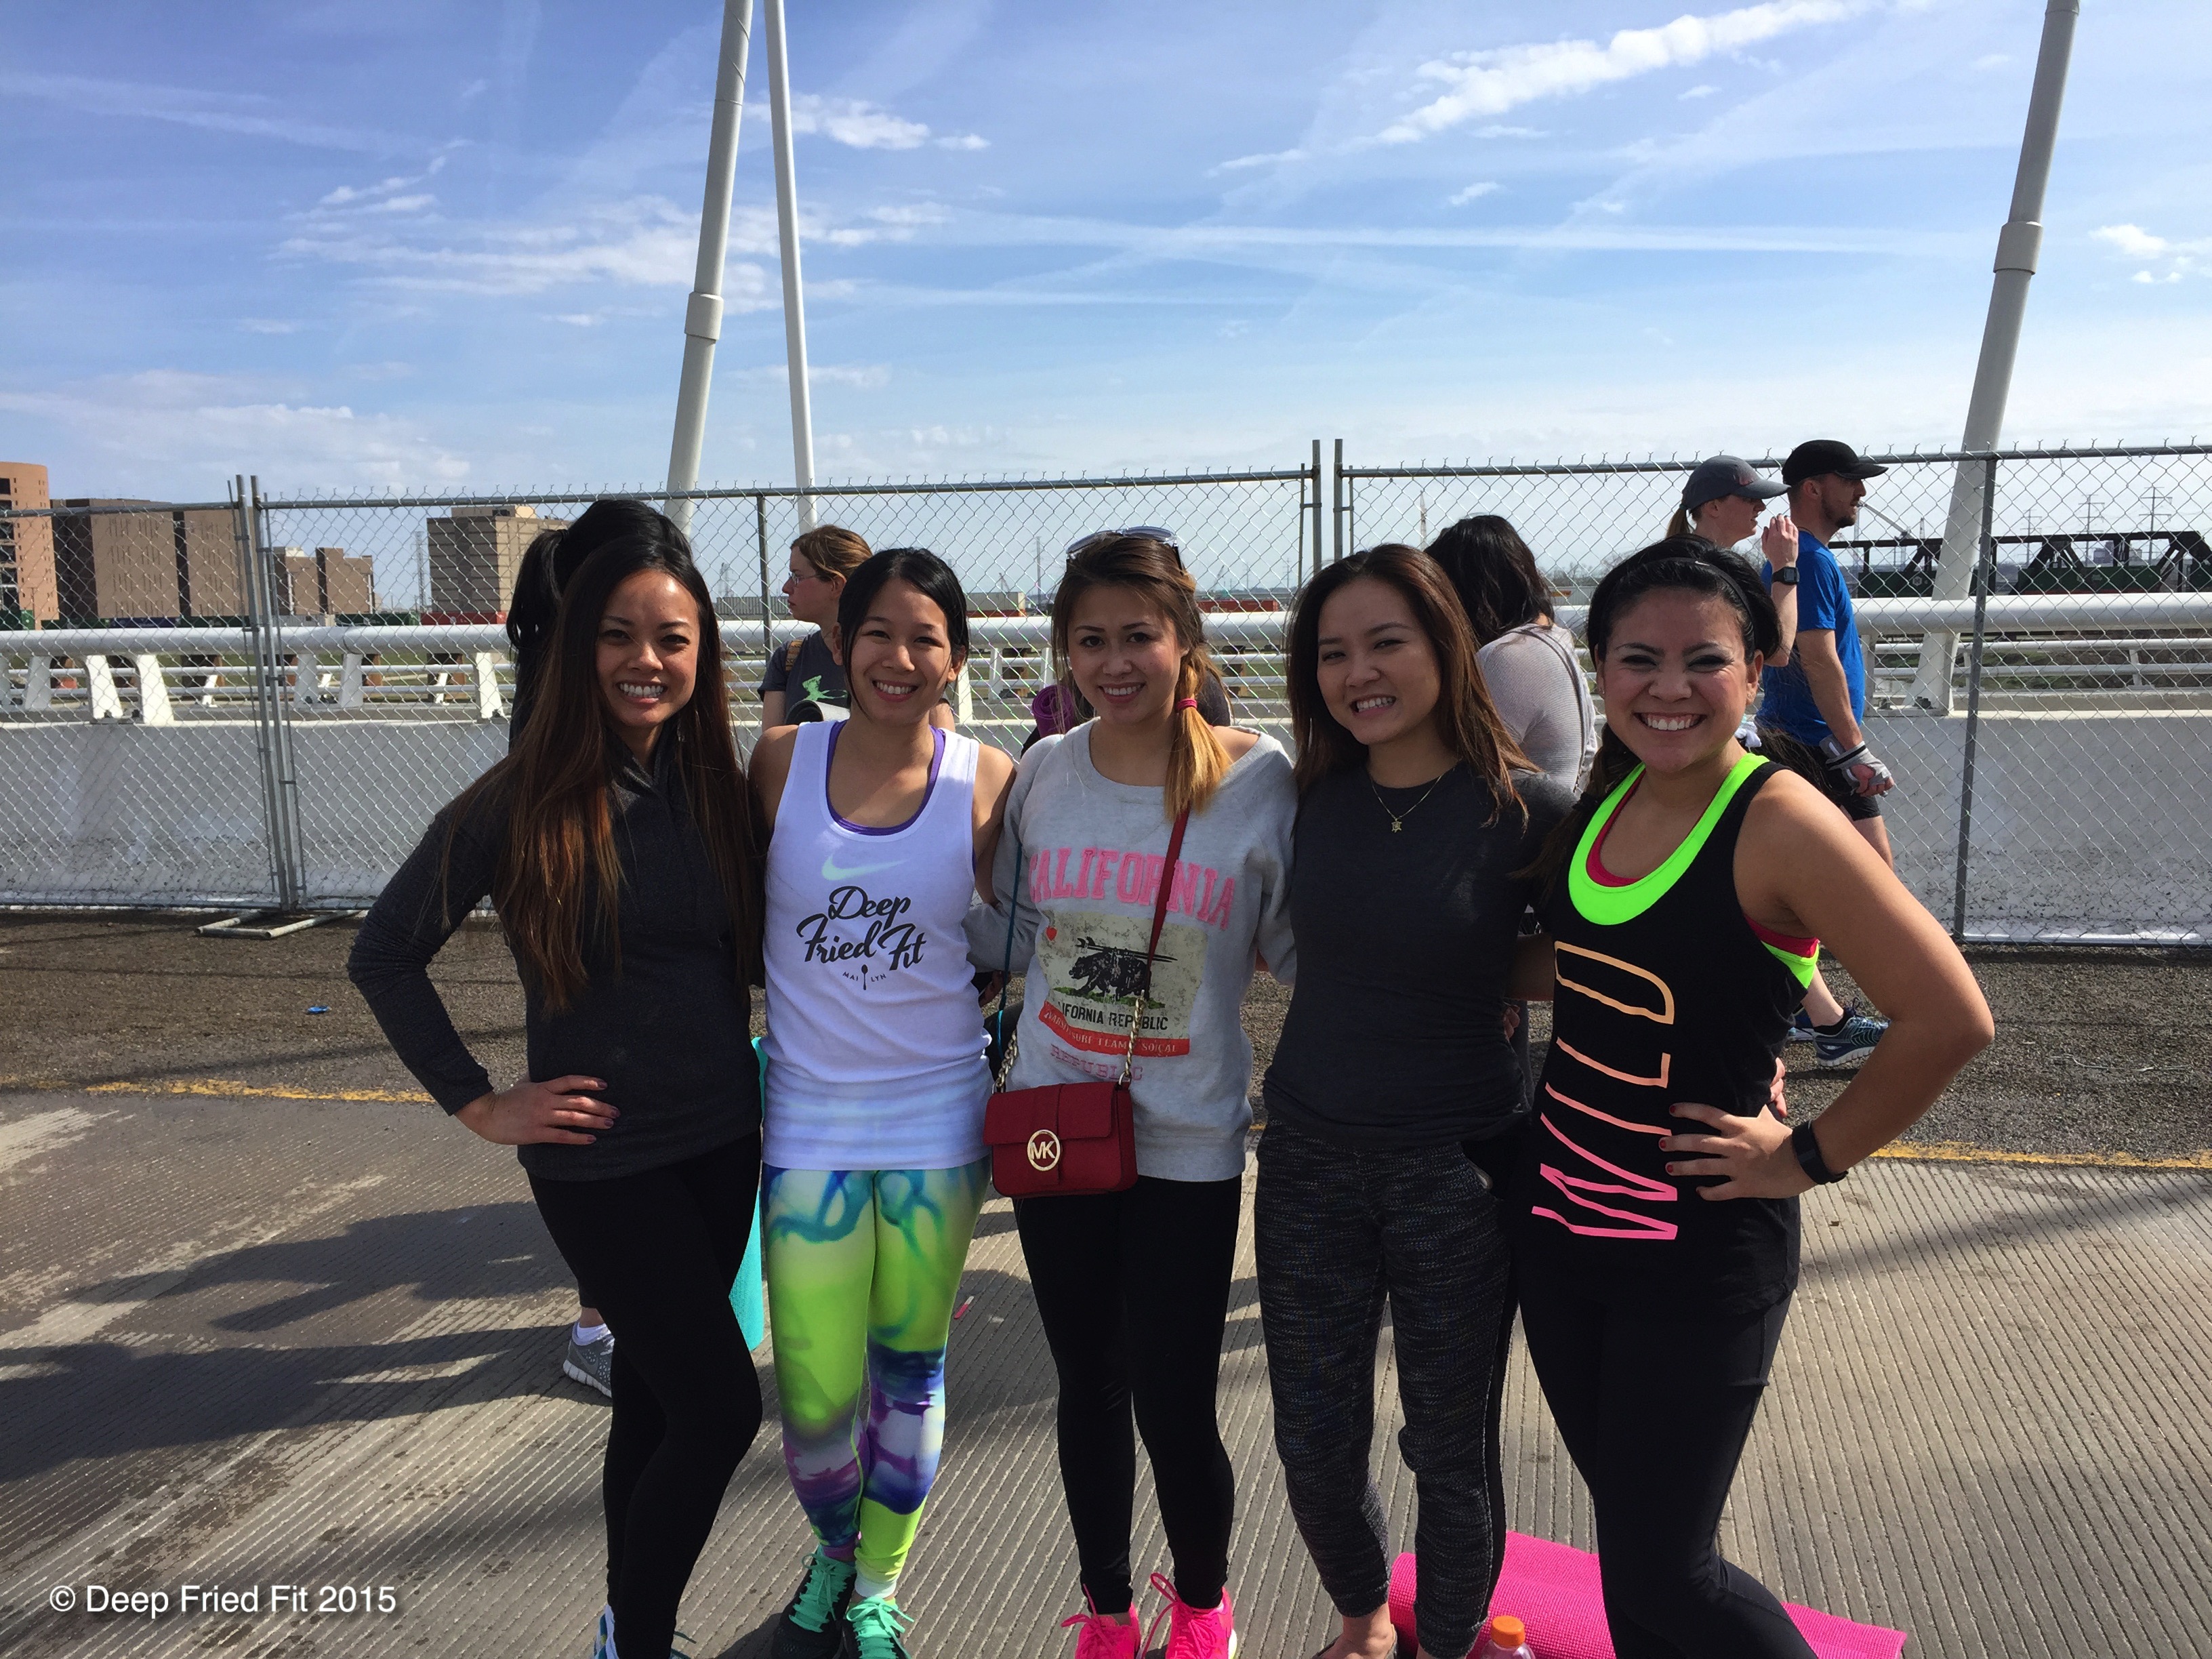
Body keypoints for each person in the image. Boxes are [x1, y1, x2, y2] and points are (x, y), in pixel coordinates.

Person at [1507, 537, 1992, 1659]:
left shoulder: (1777, 818)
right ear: (1599, 667)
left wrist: (1805, 1156)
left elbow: (1948, 1015)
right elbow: (1585, 963)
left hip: (1696, 1252)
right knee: (1636, 1551)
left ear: (1755, 667)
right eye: (1638, 659)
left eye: (1703, 660)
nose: (1667, 687)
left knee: (1666, 1574)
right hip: (1565, 1231)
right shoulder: (1612, 793)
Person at [348, 501, 767, 1659]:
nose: (647, 661)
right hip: (602, 1162)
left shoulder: (715, 786)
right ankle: (639, 1638)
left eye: (673, 638)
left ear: (703, 652)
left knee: (654, 1397)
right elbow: (384, 954)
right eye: (619, 634)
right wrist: (479, 1101)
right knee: (722, 1408)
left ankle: (628, 1625)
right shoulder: (517, 799)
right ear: (578, 642)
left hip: (722, 1141)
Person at [965, 534, 1296, 1659]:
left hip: (1189, 1137)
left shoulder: (1257, 782)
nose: (1115, 662)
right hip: (1056, 1123)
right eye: (1090, 639)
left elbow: (1304, 949)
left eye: (1138, 636)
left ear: (1184, 641)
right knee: (1088, 1385)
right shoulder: (1043, 774)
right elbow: (1011, 935)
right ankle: (1106, 1610)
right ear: (1063, 650)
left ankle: (1201, 1607)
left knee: (1174, 1396)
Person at [1257, 545, 1574, 1659]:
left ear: (1443, 643)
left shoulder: (1529, 809)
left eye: (1385, 642)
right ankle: (1362, 1622)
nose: (1359, 672)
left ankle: (1447, 1640)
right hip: (1305, 1158)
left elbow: (1607, 951)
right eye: (1332, 652)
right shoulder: (1305, 798)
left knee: (1447, 1446)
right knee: (1311, 1442)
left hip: (1458, 1167)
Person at [750, 548, 1017, 1659]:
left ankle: (873, 1585)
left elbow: (1017, 935)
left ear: (954, 657)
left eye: (925, 638)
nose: (898, 658)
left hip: (937, 1123)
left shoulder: (988, 779)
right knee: (814, 1396)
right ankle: (831, 1546)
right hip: (806, 1121)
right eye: (877, 633)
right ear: (839, 644)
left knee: (907, 1372)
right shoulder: (778, 762)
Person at [1671, 457, 1888, 1067]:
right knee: (1757, 884)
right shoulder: (1710, 569)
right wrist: (1786, 569)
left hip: (1721, 742)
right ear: (1714, 506)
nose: (1763, 508)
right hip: (1721, 745)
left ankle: (1818, 1017)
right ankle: (1821, 1019)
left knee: (1739, 882)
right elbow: (1784, 649)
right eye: (1750, 500)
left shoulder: (1702, 564)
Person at [506, 514, 626, 1398]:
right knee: (599, 1137)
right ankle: (596, 1327)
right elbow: (385, 952)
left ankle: (606, 1320)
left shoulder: (556, 679)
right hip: (591, 998)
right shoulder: (567, 715)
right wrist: (478, 1103)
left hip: (597, 995)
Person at [1759, 441, 1900, 1063]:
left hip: (1811, 741)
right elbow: (1816, 658)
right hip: (1813, 745)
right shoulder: (1810, 562)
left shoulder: (1804, 559)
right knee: (1865, 885)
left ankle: (1807, 1011)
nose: (1861, 492)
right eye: (1851, 480)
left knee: (1847, 883)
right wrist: (1854, 749)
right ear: (1814, 488)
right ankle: (1826, 1019)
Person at [1424, 514, 1597, 789]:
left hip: (1517, 813)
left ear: (1463, 593)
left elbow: (1453, 776)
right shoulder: (1552, 639)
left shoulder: (1506, 656)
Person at [763, 525, 957, 730]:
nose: (786, 587)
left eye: (797, 576)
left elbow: (944, 742)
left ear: (836, 585)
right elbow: (771, 742)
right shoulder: (791, 657)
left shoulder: (892, 662)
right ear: (838, 646)